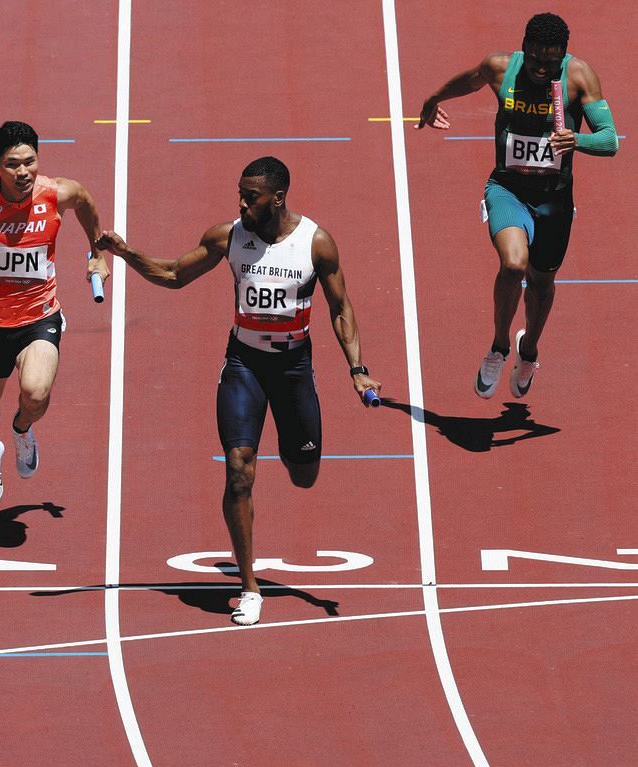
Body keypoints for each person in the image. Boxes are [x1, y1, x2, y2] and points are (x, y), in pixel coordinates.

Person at [96, 156, 381, 626]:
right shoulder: (229, 237)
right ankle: (249, 586)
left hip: (293, 368)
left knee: (303, 473)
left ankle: (294, 452)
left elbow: (341, 307)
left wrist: (358, 369)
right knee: (238, 469)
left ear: (278, 198)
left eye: (251, 196)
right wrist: (125, 253)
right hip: (244, 363)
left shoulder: (316, 243)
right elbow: (173, 274)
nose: (242, 203)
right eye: (240, 194)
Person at [417, 12, 618, 399]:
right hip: (507, 189)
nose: (542, 67)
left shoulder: (578, 76)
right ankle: (499, 347)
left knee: (542, 285)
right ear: (524, 47)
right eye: (535, 57)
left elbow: (610, 141)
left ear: (562, 54)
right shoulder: (500, 68)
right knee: (512, 264)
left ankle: (528, 352)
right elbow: (469, 80)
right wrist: (434, 97)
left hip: (555, 200)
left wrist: (577, 140)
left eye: (550, 60)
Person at [0, 120, 110, 508]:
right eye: (12, 164)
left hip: (39, 317)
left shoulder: (58, 193)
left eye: (30, 162)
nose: (23, 172)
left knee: (35, 392)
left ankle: (22, 429)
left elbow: (87, 204)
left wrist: (97, 254)